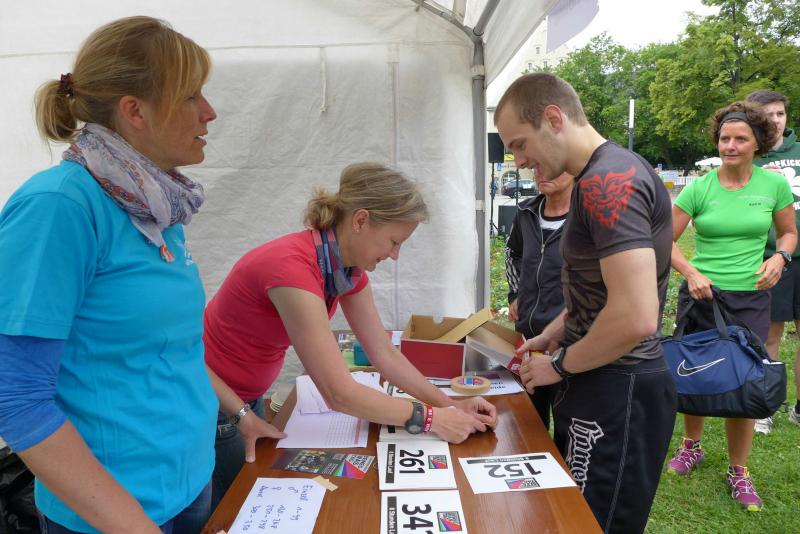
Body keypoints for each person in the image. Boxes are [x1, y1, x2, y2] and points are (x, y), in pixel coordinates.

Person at [0, 17, 218, 533]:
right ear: (134, 110)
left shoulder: (154, 204)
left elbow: (173, 348)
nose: (209, 112)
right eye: (191, 96)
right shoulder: (60, 206)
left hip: (187, 481)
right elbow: (17, 397)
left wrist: (237, 416)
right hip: (115, 513)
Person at [203, 162, 498, 507]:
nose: (395, 255)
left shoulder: (344, 271)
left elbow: (384, 354)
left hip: (245, 398)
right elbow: (339, 394)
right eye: (394, 241)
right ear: (360, 221)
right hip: (214, 400)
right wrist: (430, 418)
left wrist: (450, 405)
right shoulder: (292, 269)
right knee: (228, 509)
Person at [495, 72, 676, 534]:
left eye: (519, 144)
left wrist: (558, 365)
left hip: (619, 386)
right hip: (598, 379)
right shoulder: (596, 176)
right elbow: (599, 291)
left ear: (553, 118)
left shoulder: (607, 181)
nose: (519, 161)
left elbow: (636, 316)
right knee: (568, 516)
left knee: (592, 523)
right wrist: (551, 333)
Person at [666, 100, 796, 512]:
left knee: (745, 381)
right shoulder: (700, 187)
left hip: (752, 297)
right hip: (701, 295)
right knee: (695, 373)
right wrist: (690, 272)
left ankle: (739, 469)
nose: (730, 146)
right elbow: (664, 240)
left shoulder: (773, 185)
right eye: (725, 138)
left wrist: (780, 258)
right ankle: (692, 445)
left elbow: (789, 233)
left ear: (758, 143)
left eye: (740, 139)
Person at [745, 90, 800, 434]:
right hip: (769, 258)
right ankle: (766, 405)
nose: (775, 120)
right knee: (770, 334)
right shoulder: (749, 156)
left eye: (780, 113)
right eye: (767, 114)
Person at [505, 171, 573, 429]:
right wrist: (516, 294)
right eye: (537, 166)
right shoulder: (526, 212)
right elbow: (512, 253)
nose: (542, 173)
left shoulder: (586, 217)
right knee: (529, 421)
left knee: (568, 424)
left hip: (568, 342)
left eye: (552, 166)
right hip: (527, 336)